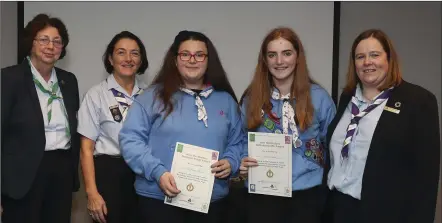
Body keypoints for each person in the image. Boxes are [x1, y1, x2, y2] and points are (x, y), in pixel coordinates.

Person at [118, 30, 244, 223]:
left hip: (211, 201)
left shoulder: (226, 101)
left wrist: (231, 162)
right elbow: (130, 140)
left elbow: (238, 142)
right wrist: (158, 172)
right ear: (175, 60)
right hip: (158, 199)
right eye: (185, 54)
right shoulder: (151, 97)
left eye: (199, 55)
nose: (192, 60)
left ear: (209, 60)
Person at [324, 29, 440, 223]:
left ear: (389, 58)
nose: (367, 62)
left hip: (383, 213)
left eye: (374, 55)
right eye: (360, 57)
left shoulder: (418, 101)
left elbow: (426, 179)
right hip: (338, 208)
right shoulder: (347, 97)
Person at [238, 27, 336, 223]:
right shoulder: (251, 99)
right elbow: (238, 140)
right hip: (263, 194)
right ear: (265, 60)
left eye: (287, 53)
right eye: (272, 55)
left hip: (307, 195)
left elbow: (333, 147)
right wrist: (240, 161)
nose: (279, 61)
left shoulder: (319, 98)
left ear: (298, 57)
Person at [1, 13, 80, 223]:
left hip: (61, 170)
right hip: (22, 174)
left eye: (57, 41)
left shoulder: (68, 81)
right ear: (31, 43)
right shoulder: (9, 79)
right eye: (44, 39)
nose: (50, 46)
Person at [77, 31, 149, 223]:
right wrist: (92, 193)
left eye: (134, 53)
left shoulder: (150, 95)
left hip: (144, 173)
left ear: (141, 60)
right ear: (110, 58)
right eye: (121, 52)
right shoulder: (96, 95)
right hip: (110, 174)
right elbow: (86, 149)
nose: (128, 59)